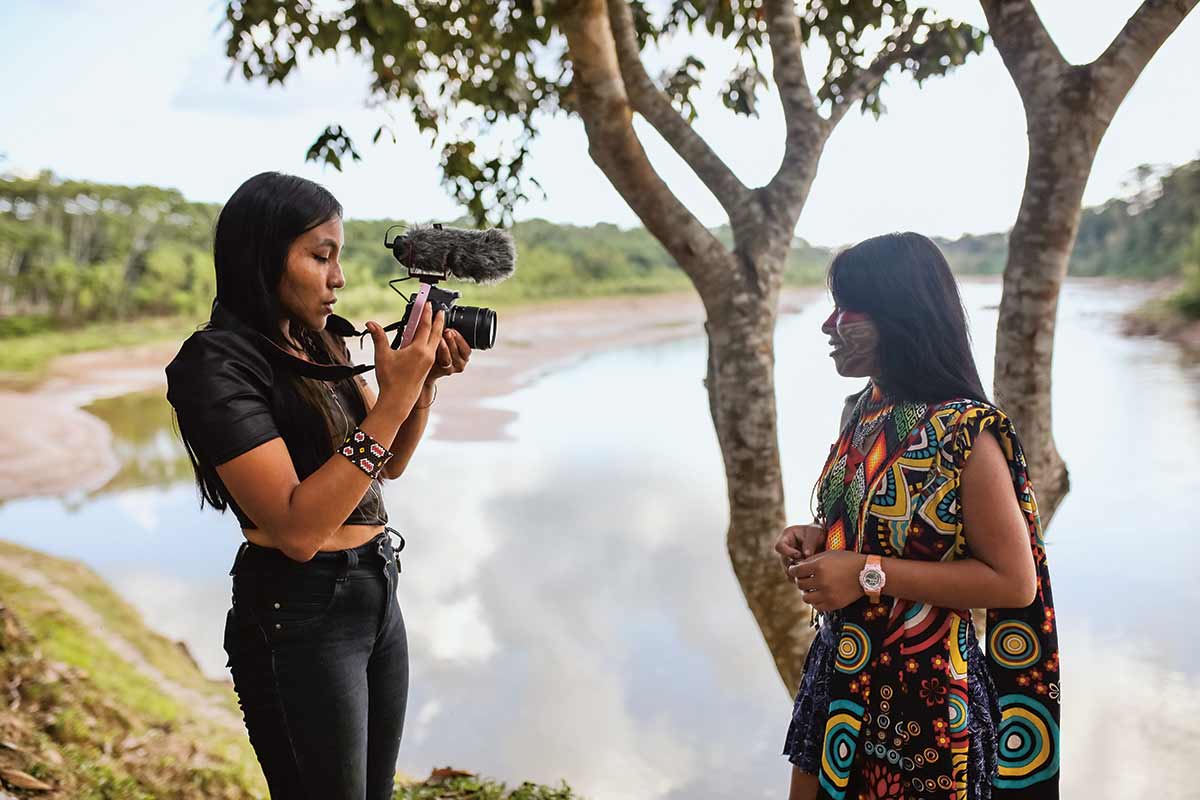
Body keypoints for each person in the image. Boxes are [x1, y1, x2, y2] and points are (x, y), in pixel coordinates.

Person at [164, 171, 471, 799]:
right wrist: (397, 396)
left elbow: (386, 463)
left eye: (339, 257)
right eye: (320, 256)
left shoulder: (321, 340)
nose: (339, 278)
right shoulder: (216, 363)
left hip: (376, 587)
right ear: (263, 257)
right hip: (299, 610)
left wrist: (421, 386)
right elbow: (298, 530)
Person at [774, 233, 1060, 800]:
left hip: (925, 705)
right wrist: (822, 538)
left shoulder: (965, 433)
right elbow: (890, 530)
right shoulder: (866, 409)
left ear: (898, 317)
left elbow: (1013, 582)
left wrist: (865, 572)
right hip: (838, 676)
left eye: (846, 308)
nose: (828, 325)